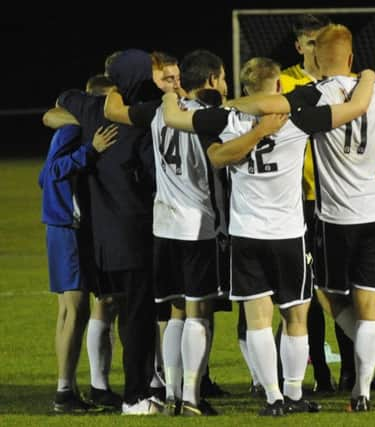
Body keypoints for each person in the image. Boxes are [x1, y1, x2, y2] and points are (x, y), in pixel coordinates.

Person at [227, 24, 375, 411]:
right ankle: (364, 392)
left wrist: (228, 106)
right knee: (368, 303)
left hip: (335, 217)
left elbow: (270, 107)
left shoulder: (312, 95)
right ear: (353, 58)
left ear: (317, 60)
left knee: (326, 296)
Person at [163, 53, 375, 415]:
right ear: (278, 86)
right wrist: (369, 75)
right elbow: (356, 108)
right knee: (296, 316)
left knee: (258, 318)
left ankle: (273, 396)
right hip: (290, 233)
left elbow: (203, 145)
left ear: (245, 89)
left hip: (246, 232)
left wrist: (171, 95)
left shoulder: (224, 119)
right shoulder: (300, 117)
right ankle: (292, 394)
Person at [104, 49, 229, 417]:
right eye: (220, 78)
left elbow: (113, 111)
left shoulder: (158, 111)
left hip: (163, 224)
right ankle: (191, 395)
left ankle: (172, 392)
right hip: (198, 225)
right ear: (209, 81)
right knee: (198, 310)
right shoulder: (207, 117)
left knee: (174, 308)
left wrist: (114, 86)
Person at [45, 49, 161, 414]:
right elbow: (47, 175)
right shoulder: (124, 120)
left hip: (101, 234)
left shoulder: (91, 112)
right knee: (108, 313)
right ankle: (109, 393)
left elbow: (63, 100)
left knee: (109, 307)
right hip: (105, 229)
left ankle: (102, 387)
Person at [280, 13, 351, 394]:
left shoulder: (338, 83)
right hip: (297, 200)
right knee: (302, 290)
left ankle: (350, 372)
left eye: (320, 44)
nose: (315, 50)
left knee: (338, 287)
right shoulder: (287, 81)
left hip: (336, 197)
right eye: (310, 44)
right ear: (299, 46)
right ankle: (318, 372)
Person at [40, 76, 118, 412]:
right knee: (74, 310)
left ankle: (75, 389)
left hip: (76, 228)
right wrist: (91, 151)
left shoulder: (81, 127)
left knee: (81, 309)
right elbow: (50, 173)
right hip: (66, 228)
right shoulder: (73, 130)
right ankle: (63, 394)